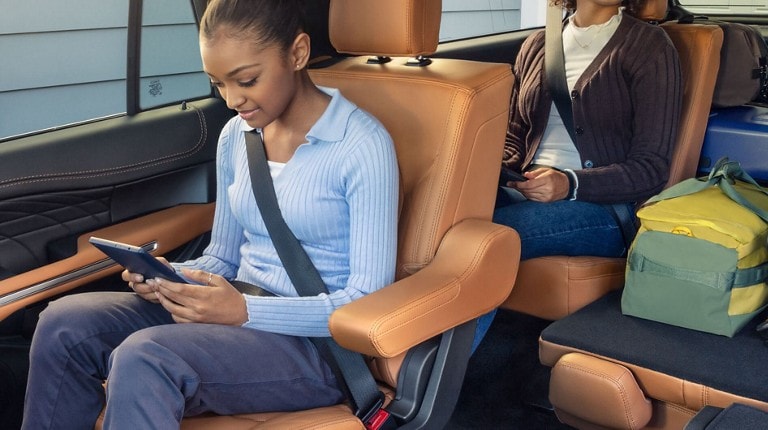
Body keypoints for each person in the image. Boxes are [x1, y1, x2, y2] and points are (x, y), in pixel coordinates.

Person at [21, 0, 399, 428]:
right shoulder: (237, 135)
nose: (233, 99)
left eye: (247, 80)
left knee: (146, 357)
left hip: (316, 348)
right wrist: (172, 279)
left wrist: (245, 312)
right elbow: (223, 257)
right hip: (234, 311)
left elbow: (365, 299)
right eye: (218, 83)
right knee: (63, 325)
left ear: (297, 53)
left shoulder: (362, 146)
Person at [473, 0, 682, 347]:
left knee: (488, 240)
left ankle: (430, 371)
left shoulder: (649, 47)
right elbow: (514, 136)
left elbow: (651, 167)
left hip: (604, 209)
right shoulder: (537, 45)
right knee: (448, 219)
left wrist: (569, 184)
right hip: (527, 189)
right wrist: (504, 175)